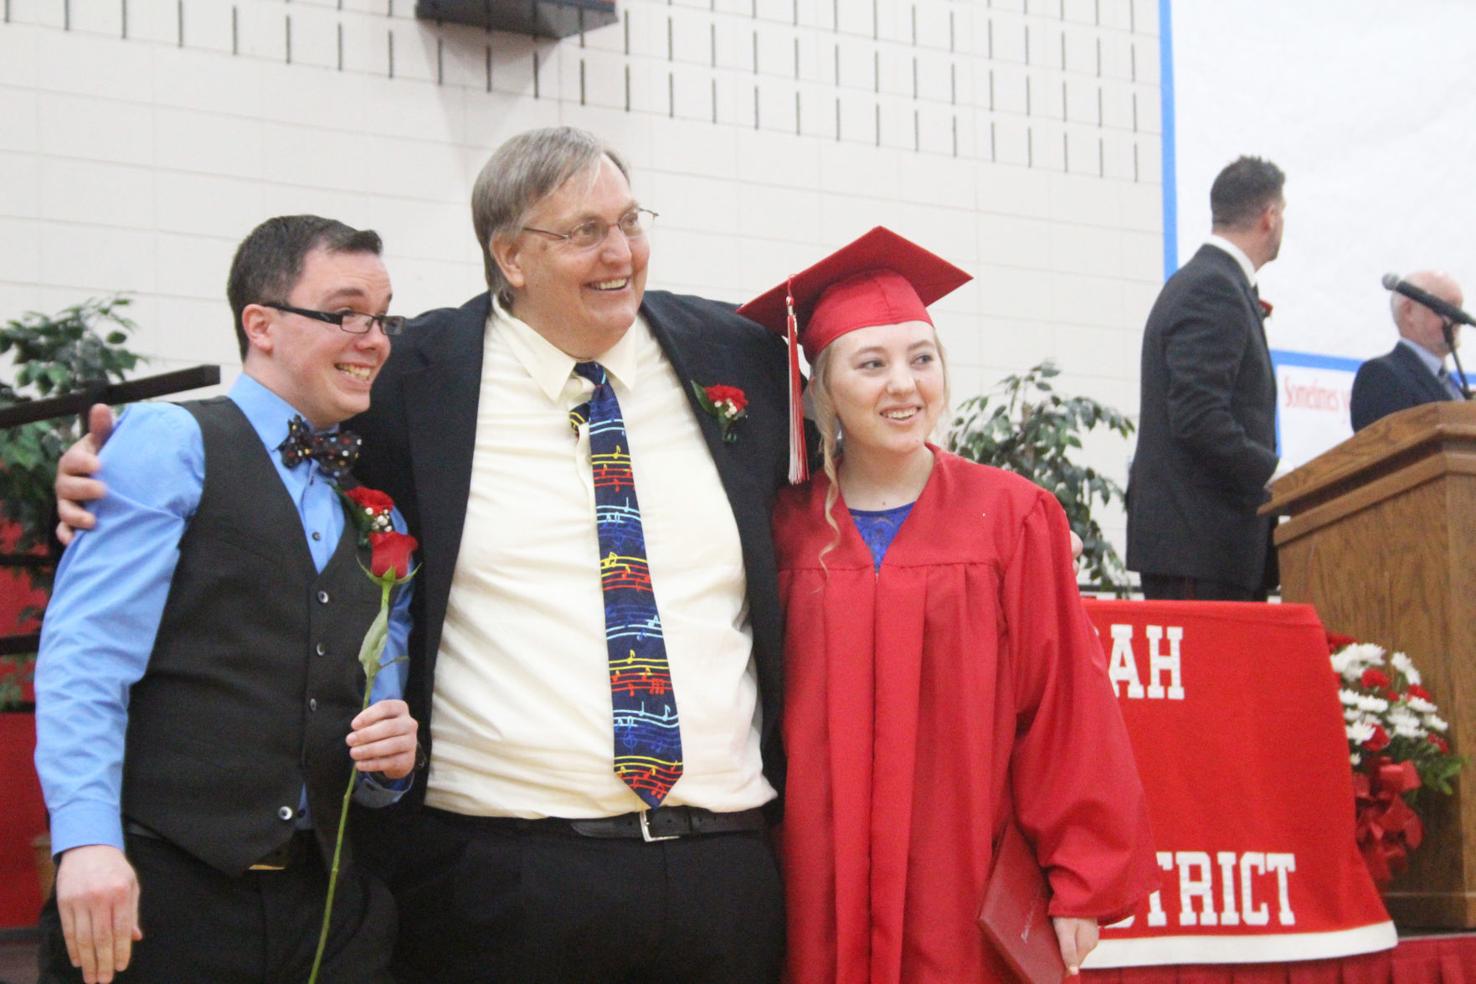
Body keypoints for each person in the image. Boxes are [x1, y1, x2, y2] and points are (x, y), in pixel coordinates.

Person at [58, 127, 792, 983]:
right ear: (511, 256)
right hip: (502, 878)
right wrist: (89, 480)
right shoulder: (410, 379)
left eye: (630, 220)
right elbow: (268, 442)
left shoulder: (738, 356)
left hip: (726, 867)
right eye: (584, 231)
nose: (621, 251)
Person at [737, 227, 1158, 983]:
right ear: (824, 388)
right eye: (872, 364)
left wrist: (1080, 881)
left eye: (921, 359)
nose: (904, 384)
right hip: (810, 876)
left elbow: (1063, 704)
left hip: (958, 873)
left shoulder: (1013, 518)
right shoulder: (781, 528)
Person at [34, 215, 420, 984]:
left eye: (381, 318)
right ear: (262, 324)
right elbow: (87, 654)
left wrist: (391, 761)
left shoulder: (377, 511)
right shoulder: (170, 440)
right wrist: (86, 843)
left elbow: (376, 694)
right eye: (345, 313)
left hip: (327, 909)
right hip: (161, 891)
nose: (372, 338)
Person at [1126, 155, 1285, 601]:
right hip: (1200, 547)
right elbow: (1198, 417)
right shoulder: (1213, 288)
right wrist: (1279, 474)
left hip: (1206, 548)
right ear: (1269, 217)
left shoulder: (1213, 283)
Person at [1350, 270, 1469, 430]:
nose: (1459, 318)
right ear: (1409, 312)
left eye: (1460, 308)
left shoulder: (1452, 384)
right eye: (1449, 308)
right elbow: (1384, 447)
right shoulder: (1381, 376)